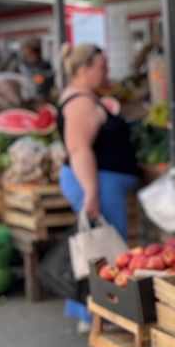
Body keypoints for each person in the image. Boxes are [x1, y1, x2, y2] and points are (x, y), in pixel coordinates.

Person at [57, 44, 139, 240]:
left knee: (109, 248)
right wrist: (91, 194)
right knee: (110, 249)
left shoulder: (86, 97)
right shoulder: (81, 102)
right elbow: (79, 149)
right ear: (84, 70)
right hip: (98, 184)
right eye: (102, 67)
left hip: (102, 182)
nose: (106, 73)